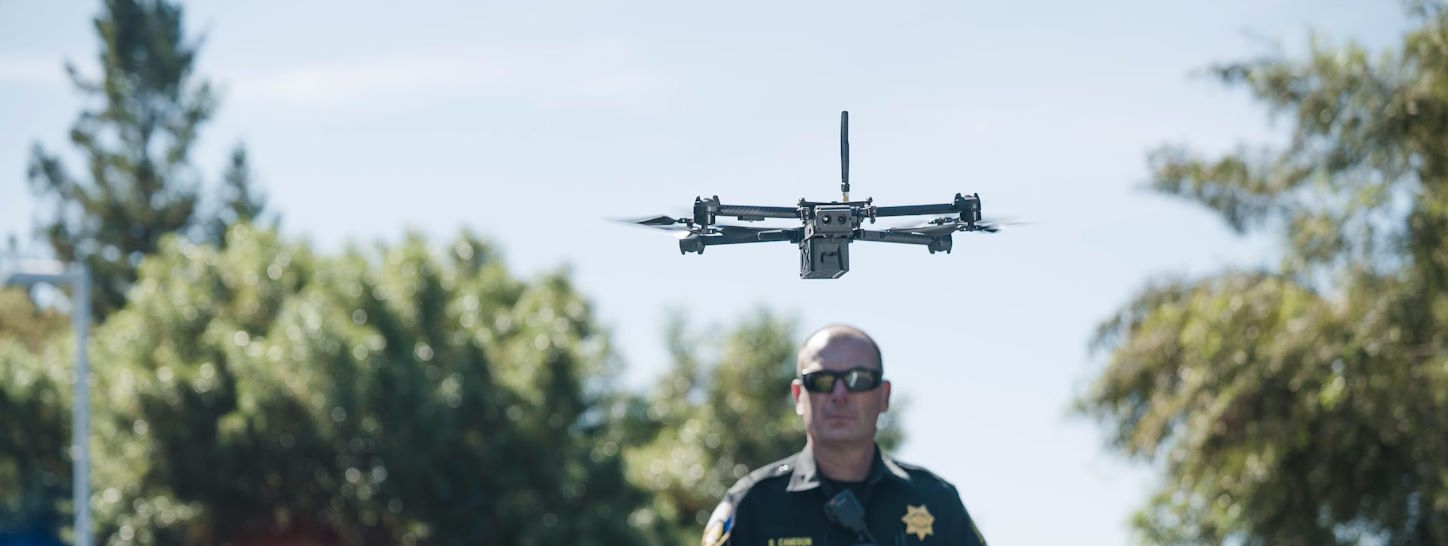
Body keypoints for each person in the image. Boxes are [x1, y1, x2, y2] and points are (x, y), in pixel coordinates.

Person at [701, 324, 987, 546]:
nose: (840, 395)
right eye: (822, 381)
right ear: (799, 396)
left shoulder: (937, 502)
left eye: (858, 379)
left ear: (884, 396)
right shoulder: (752, 504)